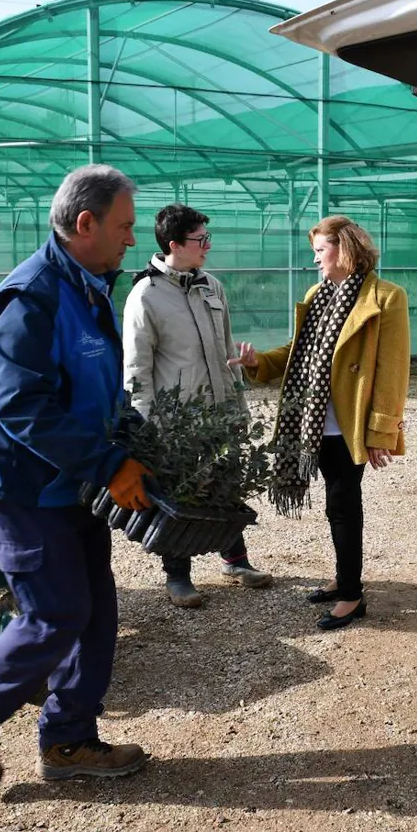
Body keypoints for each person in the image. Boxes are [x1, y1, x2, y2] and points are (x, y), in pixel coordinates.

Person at [0, 165, 152, 791]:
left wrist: (128, 440)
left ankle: (70, 742)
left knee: (96, 611)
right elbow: (20, 408)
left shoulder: (89, 288)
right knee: (56, 612)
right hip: (23, 486)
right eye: (125, 226)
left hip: (70, 481)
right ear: (86, 224)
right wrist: (107, 464)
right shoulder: (32, 298)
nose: (132, 238)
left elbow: (99, 389)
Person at [231, 216, 410, 630]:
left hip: (347, 425)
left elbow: (392, 370)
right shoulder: (319, 294)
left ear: (344, 248)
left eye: (320, 250)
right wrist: (259, 363)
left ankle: (351, 595)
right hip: (312, 424)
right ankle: (343, 578)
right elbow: (299, 351)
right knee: (336, 506)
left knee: (344, 506)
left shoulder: (385, 298)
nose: (315, 260)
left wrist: (381, 431)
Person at [123, 204, 273, 608]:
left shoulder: (212, 286)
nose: (207, 245)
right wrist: (148, 425)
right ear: (174, 245)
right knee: (181, 493)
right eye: (199, 239)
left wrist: (237, 403)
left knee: (226, 484)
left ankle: (236, 560)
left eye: (208, 237)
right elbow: (137, 369)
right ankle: (178, 577)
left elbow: (225, 349)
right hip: (178, 421)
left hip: (220, 410)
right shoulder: (145, 296)